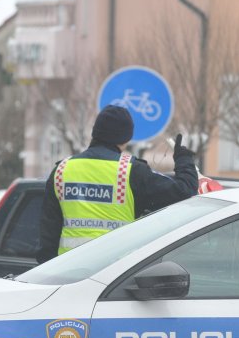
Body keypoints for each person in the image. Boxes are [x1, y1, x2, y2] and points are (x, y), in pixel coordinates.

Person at [37, 105, 198, 263]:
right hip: (115, 275)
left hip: (67, 273)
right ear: (126, 138)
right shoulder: (130, 172)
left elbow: (48, 235)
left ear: (95, 132)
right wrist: (184, 159)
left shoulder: (62, 170)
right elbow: (184, 190)